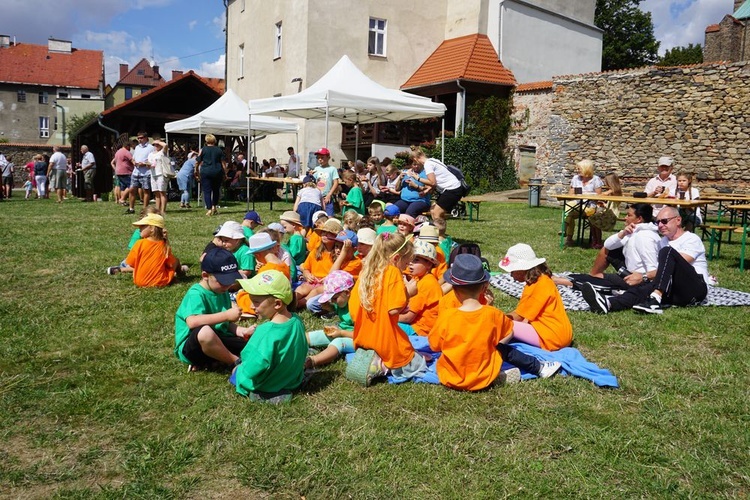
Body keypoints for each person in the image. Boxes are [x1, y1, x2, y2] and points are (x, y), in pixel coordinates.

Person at [428, 254, 562, 392]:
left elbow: (435, 345)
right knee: (502, 349)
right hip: (483, 377)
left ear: (454, 289)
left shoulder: (447, 316)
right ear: (483, 287)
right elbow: (509, 332)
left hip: (450, 377)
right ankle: (539, 367)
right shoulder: (493, 314)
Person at [581, 206, 710, 315]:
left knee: (667, 253)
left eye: (664, 221)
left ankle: (655, 298)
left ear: (678, 220)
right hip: (673, 291)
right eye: (658, 222)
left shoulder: (691, 239)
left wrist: (643, 276)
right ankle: (608, 304)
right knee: (644, 289)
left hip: (695, 289)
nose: (660, 225)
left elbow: (675, 264)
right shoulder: (663, 241)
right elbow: (662, 271)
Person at [346, 232, 428, 386]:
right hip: (384, 336)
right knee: (415, 361)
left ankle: (372, 356)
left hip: (363, 336)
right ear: (396, 259)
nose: (405, 268)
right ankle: (381, 366)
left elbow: (353, 310)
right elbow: (393, 310)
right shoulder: (393, 271)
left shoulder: (367, 271)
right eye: (405, 263)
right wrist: (408, 293)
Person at [233, 270, 307, 403]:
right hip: (292, 379)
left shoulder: (265, 332)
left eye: (256, 302)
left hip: (269, 384)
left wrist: (240, 370)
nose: (251, 306)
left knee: (237, 371)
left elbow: (252, 368)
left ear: (277, 304)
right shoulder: (296, 320)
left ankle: (265, 396)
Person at [174, 248, 251, 371]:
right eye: (223, 281)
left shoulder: (221, 290)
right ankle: (235, 362)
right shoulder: (196, 294)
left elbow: (223, 324)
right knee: (205, 332)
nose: (228, 285)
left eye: (231, 280)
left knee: (252, 345)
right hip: (194, 346)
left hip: (218, 339)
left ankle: (215, 361)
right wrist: (226, 315)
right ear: (205, 275)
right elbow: (193, 322)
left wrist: (240, 330)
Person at [554, 203, 660, 292]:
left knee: (603, 282)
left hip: (638, 280)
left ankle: (565, 281)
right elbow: (608, 245)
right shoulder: (633, 231)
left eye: (629, 215)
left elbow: (654, 270)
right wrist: (623, 233)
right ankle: (593, 275)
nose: (625, 218)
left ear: (639, 219)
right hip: (630, 268)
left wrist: (640, 277)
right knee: (609, 249)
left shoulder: (645, 237)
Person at [499, 244, 573, 351]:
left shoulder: (534, 287)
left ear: (521, 269)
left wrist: (495, 318)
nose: (511, 275)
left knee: (505, 325)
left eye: (512, 271)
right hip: (563, 334)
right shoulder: (544, 279)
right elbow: (529, 315)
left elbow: (518, 316)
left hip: (552, 337)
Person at [305, 270, 357, 369]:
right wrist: (328, 307)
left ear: (347, 293)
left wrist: (341, 333)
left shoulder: (357, 308)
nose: (332, 301)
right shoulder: (343, 302)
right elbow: (339, 310)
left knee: (337, 343)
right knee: (315, 335)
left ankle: (313, 361)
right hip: (341, 331)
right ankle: (291, 343)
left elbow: (363, 335)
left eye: (334, 298)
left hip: (357, 339)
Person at [122, 213, 185, 287]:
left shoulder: (139, 243)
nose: (139, 228)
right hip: (160, 282)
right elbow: (170, 264)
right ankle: (180, 274)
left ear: (152, 228)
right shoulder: (164, 246)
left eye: (142, 226)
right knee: (176, 261)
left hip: (139, 282)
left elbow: (131, 263)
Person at [408, 146, 464, 226]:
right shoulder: (433, 160)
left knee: (437, 212)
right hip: (451, 188)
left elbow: (433, 182)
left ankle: (439, 235)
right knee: (433, 210)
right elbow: (437, 180)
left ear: (415, 159)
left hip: (452, 189)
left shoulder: (428, 165)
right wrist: (427, 190)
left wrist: (417, 178)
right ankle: (439, 232)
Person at [296, 218, 342, 309]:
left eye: (329, 233)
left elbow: (340, 274)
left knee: (314, 292)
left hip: (327, 284)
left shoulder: (338, 254)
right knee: (301, 289)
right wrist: (307, 274)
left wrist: (328, 279)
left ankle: (298, 304)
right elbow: (305, 267)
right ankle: (292, 300)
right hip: (313, 280)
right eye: (323, 232)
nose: (324, 235)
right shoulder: (316, 251)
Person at [398, 239, 441, 337]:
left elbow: (408, 318)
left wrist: (386, 317)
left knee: (385, 326)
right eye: (410, 259)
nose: (410, 263)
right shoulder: (420, 279)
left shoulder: (426, 283)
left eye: (416, 260)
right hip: (417, 327)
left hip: (421, 330)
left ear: (429, 264)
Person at [565, 159, 604, 247]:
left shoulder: (595, 179)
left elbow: (599, 196)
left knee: (570, 211)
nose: (577, 170)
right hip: (577, 204)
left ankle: (565, 229)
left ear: (586, 168)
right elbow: (570, 193)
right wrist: (574, 192)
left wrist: (586, 194)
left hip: (590, 206)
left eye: (579, 169)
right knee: (568, 212)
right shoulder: (575, 178)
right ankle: (568, 238)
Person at [196, 133, 227, 216]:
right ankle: (214, 207)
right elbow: (223, 163)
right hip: (217, 172)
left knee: (207, 191)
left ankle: (209, 209)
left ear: (206, 141)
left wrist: (196, 170)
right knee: (216, 190)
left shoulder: (203, 149)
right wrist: (225, 173)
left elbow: (198, 161)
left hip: (206, 171)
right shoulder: (219, 150)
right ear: (214, 141)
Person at [128, 132, 153, 215]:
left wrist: (145, 164)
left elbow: (153, 161)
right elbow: (133, 158)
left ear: (146, 138)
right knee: (132, 190)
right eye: (138, 138)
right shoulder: (137, 147)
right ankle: (131, 208)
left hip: (146, 172)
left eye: (141, 138)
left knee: (146, 191)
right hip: (136, 172)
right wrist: (134, 162)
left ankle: (145, 210)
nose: (139, 139)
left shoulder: (151, 148)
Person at [311, 147, 340, 216]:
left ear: (328, 157)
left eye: (322, 157)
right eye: (318, 158)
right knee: (317, 216)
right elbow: (313, 182)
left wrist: (329, 194)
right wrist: (311, 176)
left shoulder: (332, 169)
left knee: (329, 216)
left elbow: (336, 182)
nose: (320, 159)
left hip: (327, 196)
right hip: (317, 196)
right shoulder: (316, 169)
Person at [148, 140, 170, 215]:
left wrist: (158, 141)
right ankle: (157, 210)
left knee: (162, 192)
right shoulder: (151, 154)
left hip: (161, 174)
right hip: (153, 174)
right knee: (156, 193)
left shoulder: (162, 152)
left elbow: (165, 145)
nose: (156, 146)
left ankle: (163, 210)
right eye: (154, 145)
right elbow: (149, 163)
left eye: (157, 144)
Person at [111, 139, 134, 205]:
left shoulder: (118, 152)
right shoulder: (126, 152)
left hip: (118, 171)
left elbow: (114, 161)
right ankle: (122, 199)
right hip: (126, 171)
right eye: (130, 147)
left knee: (122, 187)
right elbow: (132, 160)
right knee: (131, 186)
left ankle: (122, 202)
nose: (130, 148)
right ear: (127, 146)